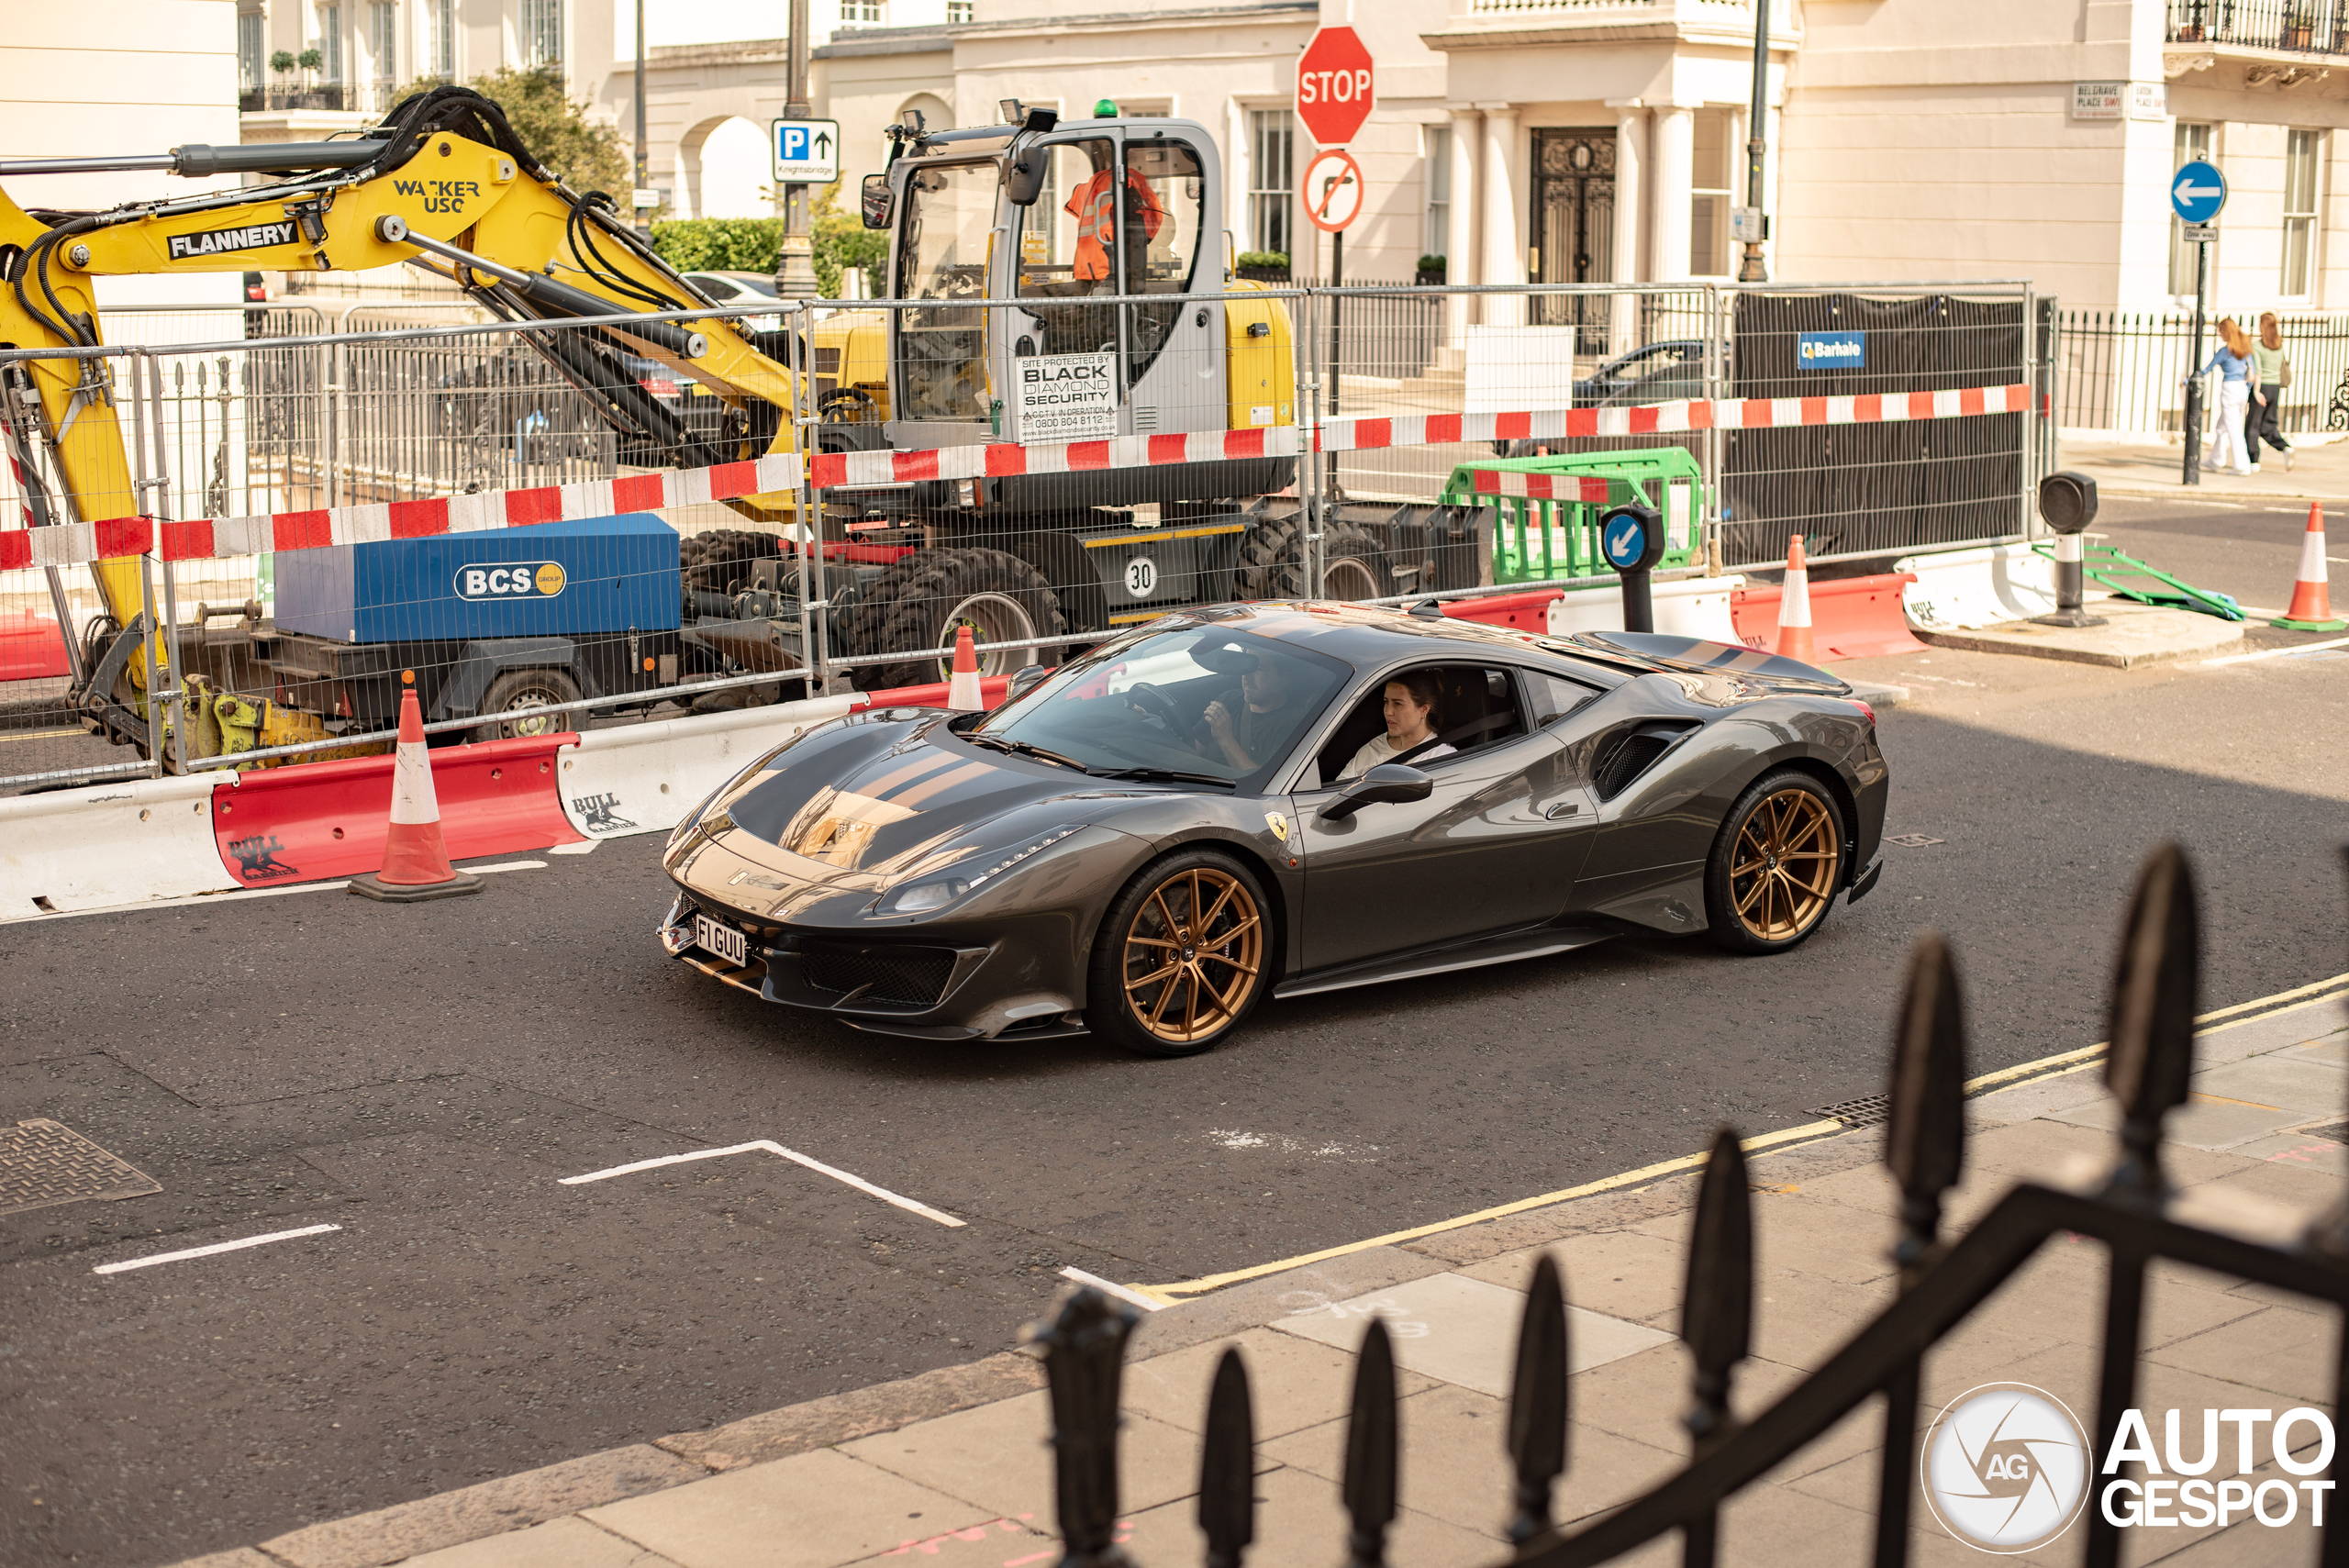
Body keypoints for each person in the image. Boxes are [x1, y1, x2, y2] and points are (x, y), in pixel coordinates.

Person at [1338, 673, 1456, 782]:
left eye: (1398, 704)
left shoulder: (1442, 758)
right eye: (1386, 702)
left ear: (1424, 709)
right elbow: (1339, 789)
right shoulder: (1375, 747)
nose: (1388, 711)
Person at [1199, 657, 1296, 773]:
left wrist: (1226, 739)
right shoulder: (1228, 700)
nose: (1246, 676)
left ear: (1283, 677)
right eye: (1247, 666)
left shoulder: (1292, 726)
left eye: (1258, 669)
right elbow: (1192, 753)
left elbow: (1265, 783)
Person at [2194, 318, 2256, 476]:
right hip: (2242, 388)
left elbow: (2207, 369)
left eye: (2221, 331)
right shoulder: (2245, 350)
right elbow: (2252, 373)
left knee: (2233, 428)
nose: (2219, 334)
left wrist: (2189, 381)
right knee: (2222, 427)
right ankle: (2216, 460)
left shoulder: (2224, 351)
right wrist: (2247, 390)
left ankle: (2242, 466)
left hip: (2230, 389)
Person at [2246, 312, 2294, 472]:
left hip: (2263, 387)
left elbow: (2257, 371)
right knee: (2268, 425)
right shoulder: (2279, 345)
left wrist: (2256, 392)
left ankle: (2254, 461)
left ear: (2262, 326)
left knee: (2252, 425)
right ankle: (2285, 448)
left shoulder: (2258, 346)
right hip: (2275, 388)